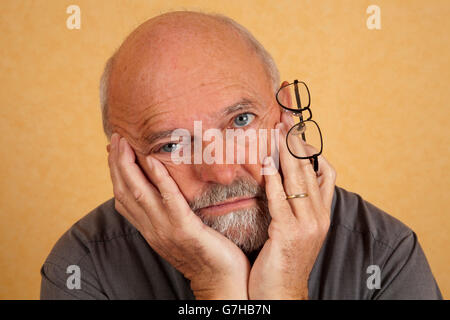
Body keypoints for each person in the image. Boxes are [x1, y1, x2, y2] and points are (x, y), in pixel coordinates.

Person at [40, 11, 442, 299]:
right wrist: (214, 286)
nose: (222, 170)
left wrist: (285, 289)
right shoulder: (82, 268)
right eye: (172, 145)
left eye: (240, 120)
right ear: (125, 163)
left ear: (286, 111)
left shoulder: (385, 254)